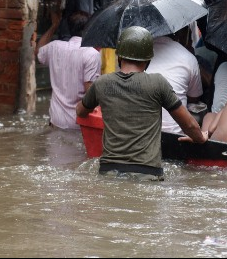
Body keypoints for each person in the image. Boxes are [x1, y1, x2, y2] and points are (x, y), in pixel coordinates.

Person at [76, 26, 208, 181]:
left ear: (119, 57)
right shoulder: (157, 83)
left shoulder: (102, 83)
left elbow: (80, 111)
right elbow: (189, 125)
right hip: (147, 173)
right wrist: (200, 138)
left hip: (108, 172)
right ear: (148, 60)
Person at [36, 8, 101, 129]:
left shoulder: (54, 47)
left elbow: (39, 50)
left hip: (56, 121)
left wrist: (54, 25)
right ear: (88, 29)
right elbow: (90, 94)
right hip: (78, 125)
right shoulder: (91, 54)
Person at [145, 26, 203, 134]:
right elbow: (194, 97)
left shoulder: (140, 53)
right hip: (174, 136)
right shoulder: (187, 57)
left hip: (140, 133)